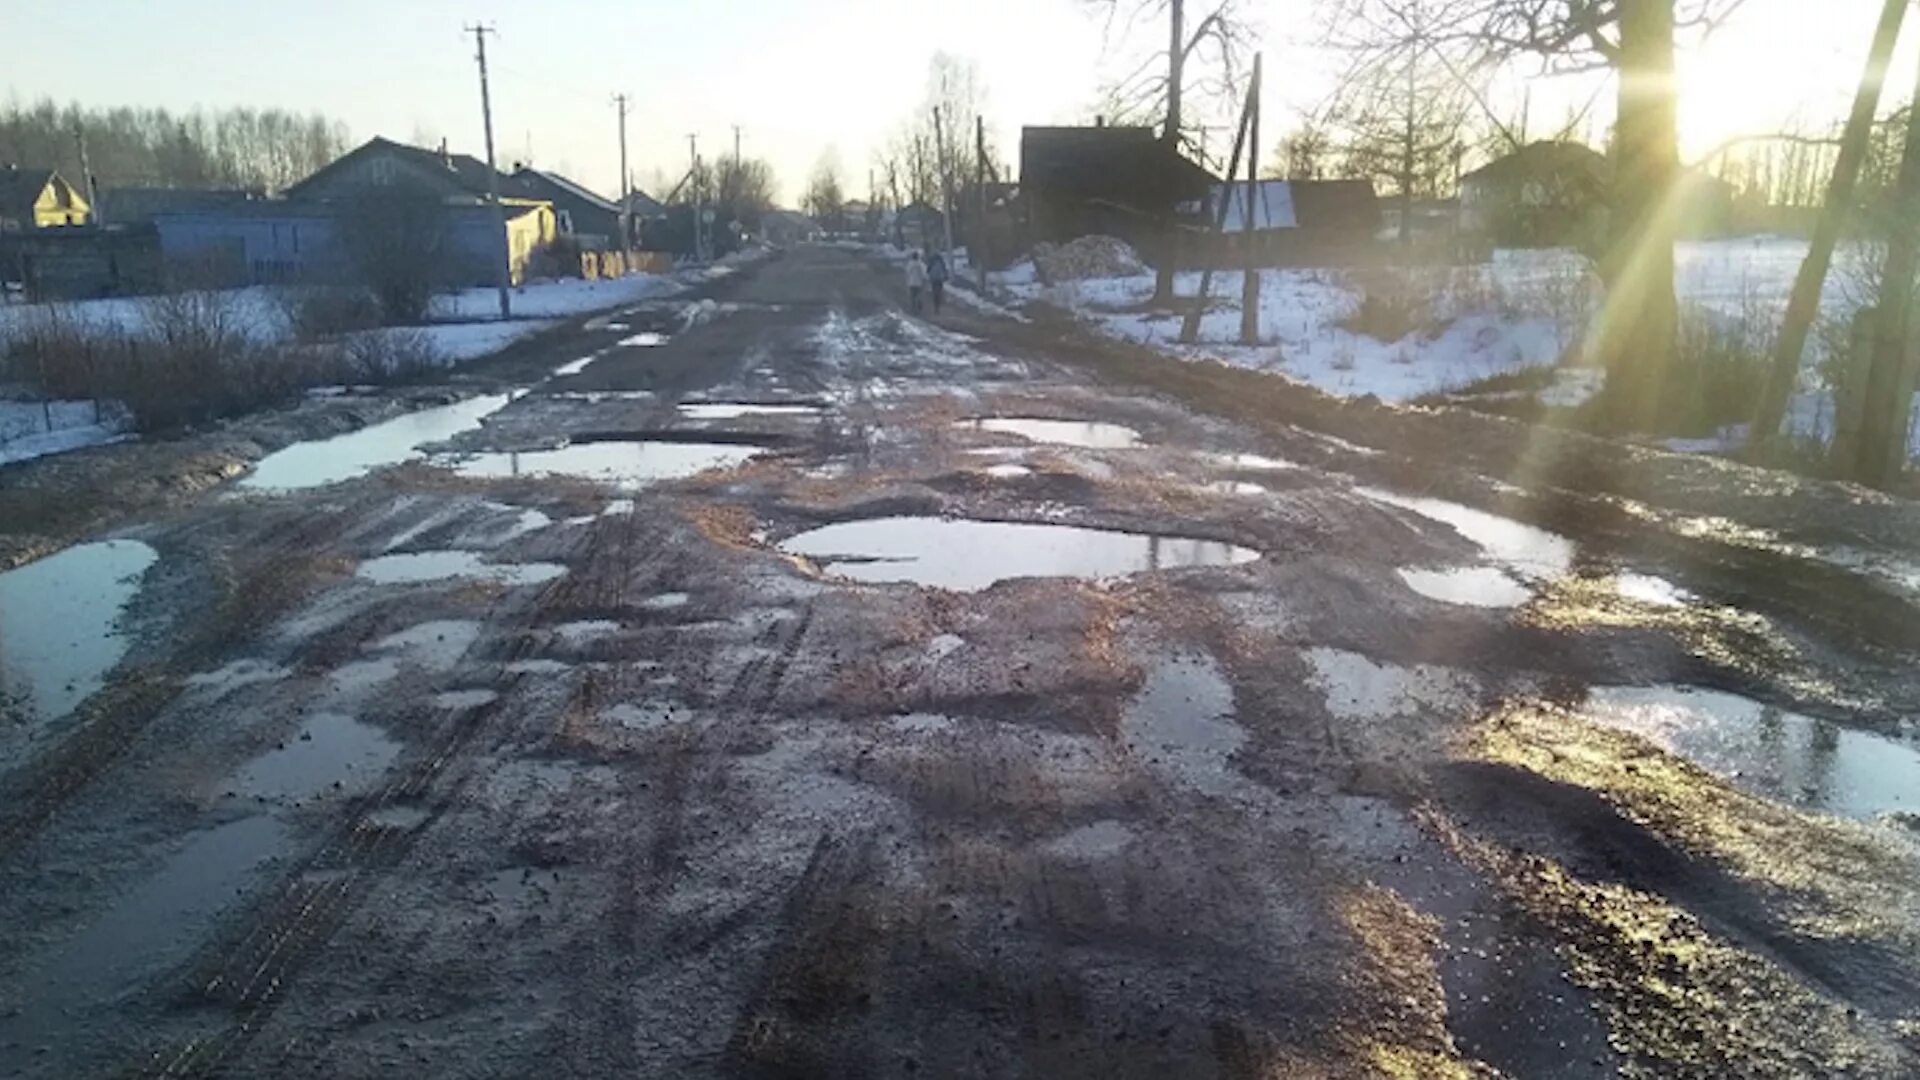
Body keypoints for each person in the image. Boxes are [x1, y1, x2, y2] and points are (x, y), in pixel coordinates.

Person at [905, 250, 928, 314]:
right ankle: (919, 307)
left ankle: (913, 309)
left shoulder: (910, 264)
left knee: (912, 297)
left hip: (911, 283)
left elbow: (907, 273)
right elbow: (924, 273)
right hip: (919, 283)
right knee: (919, 296)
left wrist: (907, 280)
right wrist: (924, 280)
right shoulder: (921, 264)